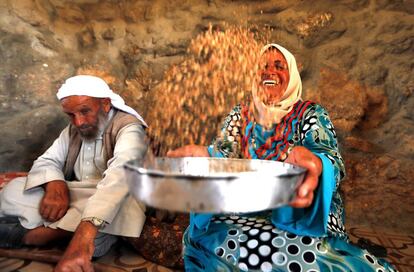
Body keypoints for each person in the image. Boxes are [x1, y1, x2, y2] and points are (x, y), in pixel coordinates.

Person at [167, 44, 397, 271]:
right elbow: (224, 151)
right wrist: (207, 156)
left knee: (302, 251)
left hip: (298, 211)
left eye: (279, 66)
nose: (270, 71)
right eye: (263, 66)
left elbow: (330, 158)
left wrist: (315, 164)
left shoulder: (311, 113)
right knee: (211, 237)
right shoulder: (241, 113)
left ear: (292, 75)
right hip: (244, 208)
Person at [0, 75, 148, 271]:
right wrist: (55, 185)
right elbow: (47, 160)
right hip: (76, 195)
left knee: (125, 206)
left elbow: (121, 175)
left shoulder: (129, 128)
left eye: (85, 111)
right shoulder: (73, 130)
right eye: (71, 115)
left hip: (111, 195)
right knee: (15, 189)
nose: (78, 122)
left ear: (105, 104)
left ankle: (40, 235)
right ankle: (64, 231)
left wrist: (86, 231)